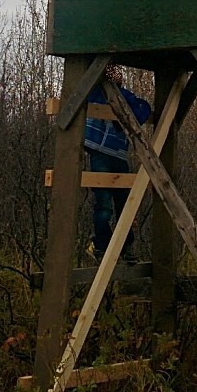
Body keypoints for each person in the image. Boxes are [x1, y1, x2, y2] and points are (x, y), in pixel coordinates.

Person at [85, 65, 152, 262]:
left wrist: (124, 116)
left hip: (116, 154)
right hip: (102, 153)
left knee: (123, 205)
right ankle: (102, 246)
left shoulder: (123, 96)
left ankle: (123, 247)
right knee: (106, 205)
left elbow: (144, 109)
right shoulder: (94, 94)